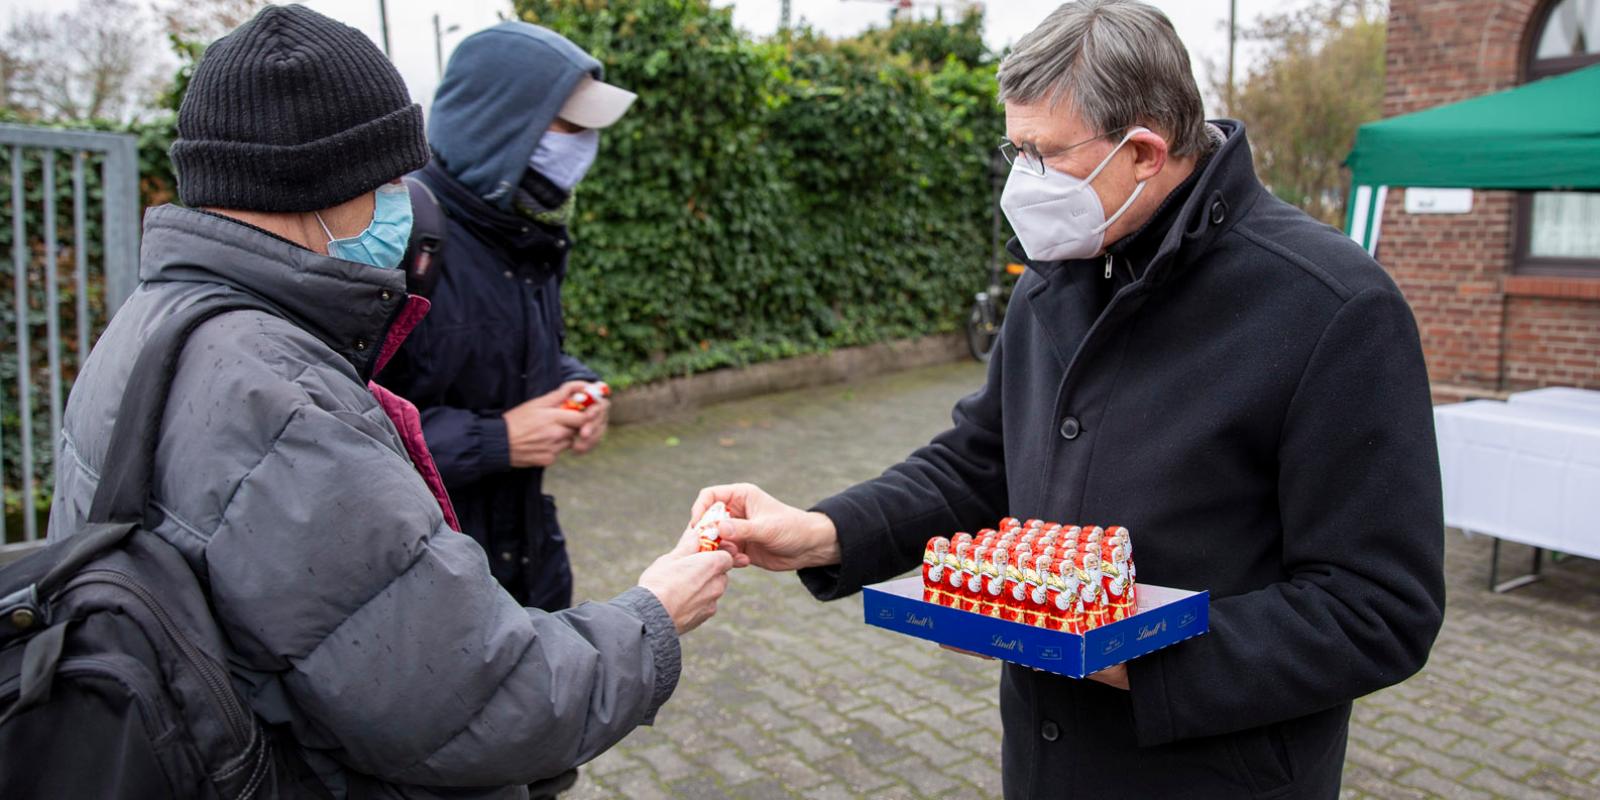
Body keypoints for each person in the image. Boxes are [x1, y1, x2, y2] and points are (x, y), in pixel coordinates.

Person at [693, 1, 1445, 797]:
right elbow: (979, 465)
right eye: (1014, 149)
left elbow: (1378, 608)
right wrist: (823, 531)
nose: (1023, 182)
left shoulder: (1330, 307)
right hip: (1048, 761)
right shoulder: (1059, 273)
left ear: (1145, 151)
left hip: (1214, 774)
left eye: (1043, 154)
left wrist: (1126, 652)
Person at [47, 6, 731, 798]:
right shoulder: (277, 398)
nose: (405, 206)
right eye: (386, 183)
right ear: (319, 187)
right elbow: (478, 701)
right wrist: (655, 615)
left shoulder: (154, 322)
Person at [380, 22, 633, 613]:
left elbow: (524, 352)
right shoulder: (400, 235)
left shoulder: (525, 232)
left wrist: (579, 385)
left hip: (526, 563)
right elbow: (339, 432)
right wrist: (496, 441)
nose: (583, 143)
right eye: (569, 125)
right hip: (425, 583)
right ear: (501, 124)